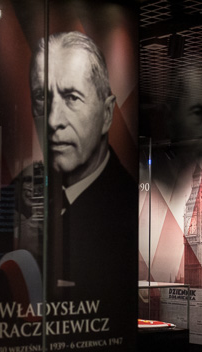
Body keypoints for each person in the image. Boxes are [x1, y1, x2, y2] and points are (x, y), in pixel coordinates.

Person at [29, 31, 137, 293]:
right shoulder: (13, 196)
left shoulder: (127, 208)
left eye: (71, 97)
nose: (53, 121)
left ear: (107, 113)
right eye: (42, 97)